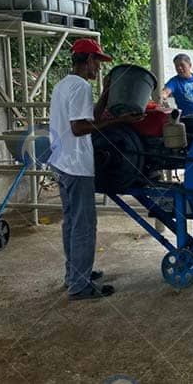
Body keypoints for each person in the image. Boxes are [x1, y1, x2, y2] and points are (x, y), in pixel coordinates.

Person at [48, 39, 141, 301]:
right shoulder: (80, 86)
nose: (98, 69)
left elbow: (89, 117)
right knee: (84, 226)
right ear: (87, 60)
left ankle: (74, 274)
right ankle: (80, 287)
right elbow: (80, 128)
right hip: (76, 166)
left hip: (61, 162)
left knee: (72, 223)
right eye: (97, 63)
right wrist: (121, 120)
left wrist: (106, 94)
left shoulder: (64, 85)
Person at [161, 53, 193, 120]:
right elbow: (165, 92)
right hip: (185, 122)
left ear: (190, 65)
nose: (179, 68)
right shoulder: (174, 81)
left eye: (182, 65)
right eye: (177, 66)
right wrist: (163, 97)